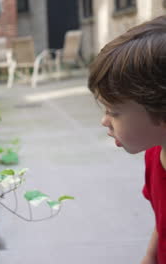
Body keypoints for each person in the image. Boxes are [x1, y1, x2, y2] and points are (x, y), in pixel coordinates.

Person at [88, 15, 166, 264]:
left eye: (114, 111)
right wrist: (150, 257)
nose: (104, 121)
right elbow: (162, 222)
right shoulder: (155, 156)